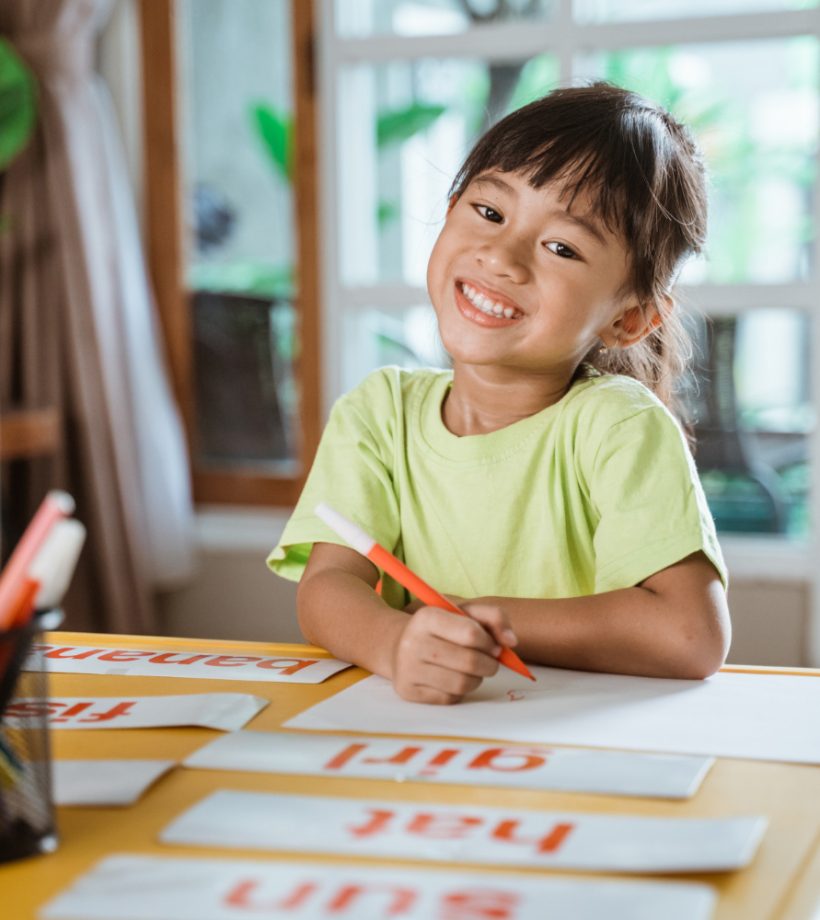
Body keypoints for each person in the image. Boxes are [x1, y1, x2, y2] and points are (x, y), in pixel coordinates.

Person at [269, 82, 731, 704]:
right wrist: (396, 645)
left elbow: (689, 635)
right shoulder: (378, 413)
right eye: (490, 212)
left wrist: (467, 617)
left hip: (570, 748)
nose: (502, 256)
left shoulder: (619, 427)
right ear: (452, 205)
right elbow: (326, 589)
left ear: (630, 318)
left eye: (562, 247)